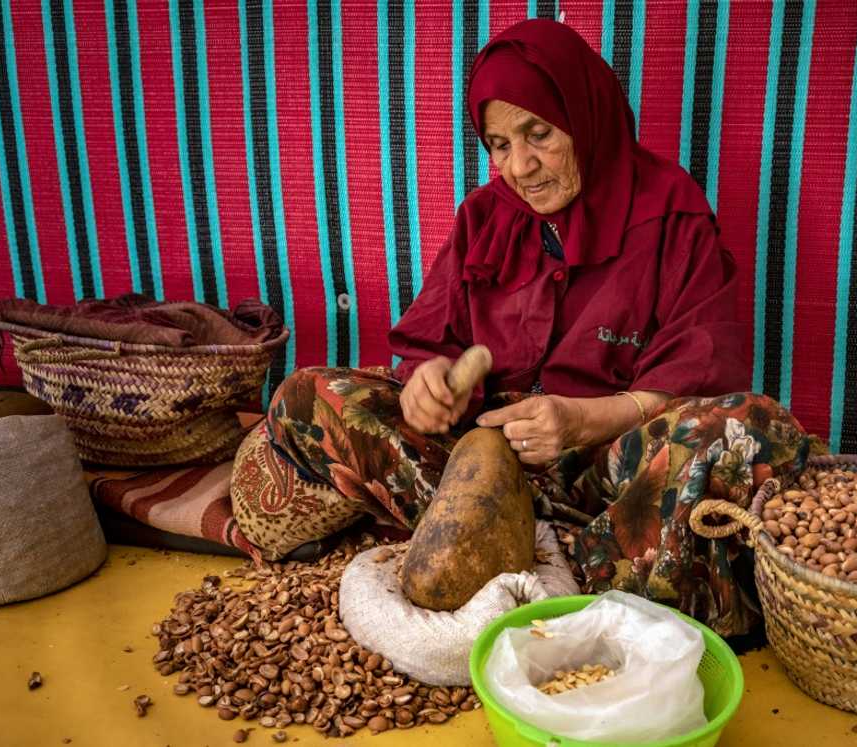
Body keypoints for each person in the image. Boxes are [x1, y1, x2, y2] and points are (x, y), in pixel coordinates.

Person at [239, 19, 815, 637]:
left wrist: (582, 420)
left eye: (538, 134)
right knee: (310, 394)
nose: (521, 166)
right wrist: (428, 386)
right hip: (478, 465)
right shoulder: (484, 216)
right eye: (499, 144)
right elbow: (428, 345)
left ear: (585, 117)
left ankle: (533, 550)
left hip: (612, 469)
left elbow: (702, 369)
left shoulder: (670, 210)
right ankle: (539, 547)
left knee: (750, 428)